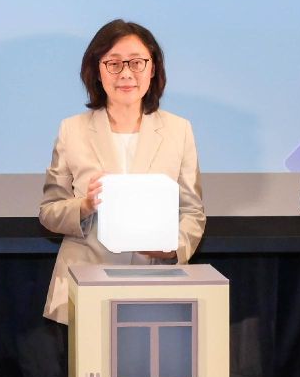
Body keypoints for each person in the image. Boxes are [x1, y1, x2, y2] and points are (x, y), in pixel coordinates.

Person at [38, 19, 205, 324]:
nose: (126, 73)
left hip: (153, 283)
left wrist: (172, 248)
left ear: (152, 69)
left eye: (137, 63)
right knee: (87, 374)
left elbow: (193, 212)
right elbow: (49, 212)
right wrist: (85, 205)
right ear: (97, 71)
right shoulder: (72, 130)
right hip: (84, 283)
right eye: (113, 63)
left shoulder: (179, 130)